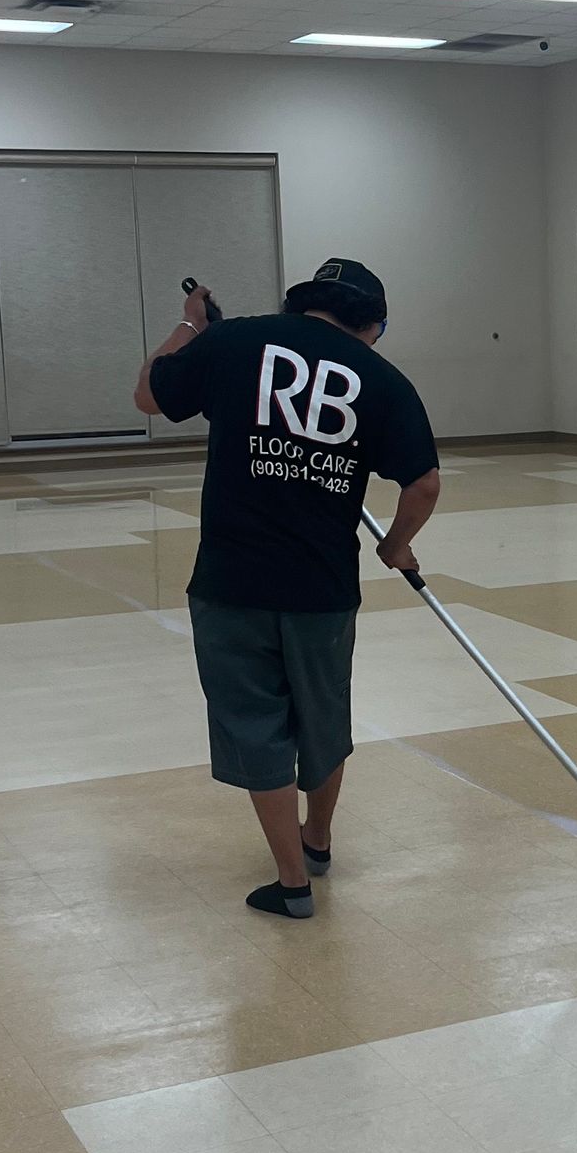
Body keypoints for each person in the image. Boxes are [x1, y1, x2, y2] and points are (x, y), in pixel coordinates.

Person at [136, 257, 440, 918]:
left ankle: (292, 882)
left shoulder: (234, 339)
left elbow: (151, 395)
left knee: (255, 720)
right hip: (322, 586)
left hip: (231, 580)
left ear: (303, 303)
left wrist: (189, 328)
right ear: (374, 324)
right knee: (322, 715)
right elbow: (423, 483)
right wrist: (395, 543)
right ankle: (319, 839)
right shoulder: (380, 378)